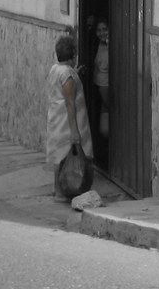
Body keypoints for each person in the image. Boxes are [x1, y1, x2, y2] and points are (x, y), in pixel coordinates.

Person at [46, 34, 93, 202]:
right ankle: (63, 191)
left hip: (56, 120)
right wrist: (75, 132)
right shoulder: (67, 75)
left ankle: (57, 189)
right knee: (65, 156)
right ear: (72, 54)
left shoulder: (56, 69)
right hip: (67, 123)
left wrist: (76, 74)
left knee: (58, 156)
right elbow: (70, 103)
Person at [93, 20, 109, 137]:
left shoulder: (111, 45)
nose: (102, 33)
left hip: (107, 88)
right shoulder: (96, 45)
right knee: (103, 129)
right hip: (98, 87)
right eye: (99, 30)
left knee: (105, 128)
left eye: (104, 29)